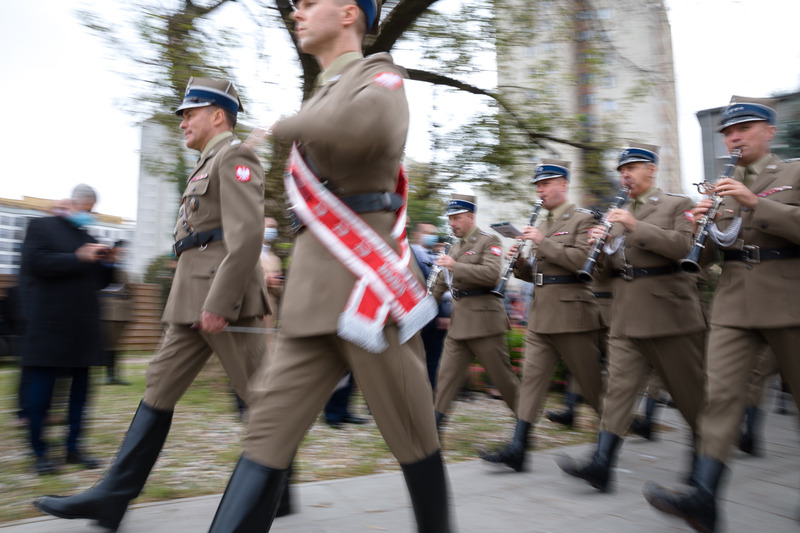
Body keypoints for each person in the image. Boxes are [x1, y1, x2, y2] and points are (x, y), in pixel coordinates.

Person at [205, 1, 451, 531]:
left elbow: (360, 129)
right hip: (312, 299)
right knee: (264, 438)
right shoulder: (323, 93)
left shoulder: (380, 76)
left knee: (414, 437)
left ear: (347, 13)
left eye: (310, 2)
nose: (297, 11)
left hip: (369, 294)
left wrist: (281, 125)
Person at [34, 78, 271, 530]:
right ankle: (112, 496)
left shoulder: (235, 156)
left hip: (225, 298)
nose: (183, 120)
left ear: (218, 115)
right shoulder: (207, 162)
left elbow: (246, 239)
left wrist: (220, 301)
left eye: (191, 111)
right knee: (158, 386)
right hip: (192, 295)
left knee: (261, 399)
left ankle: (272, 495)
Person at [644, 96, 800, 533]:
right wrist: (702, 229)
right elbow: (711, 254)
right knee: (720, 398)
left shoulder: (794, 172)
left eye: (744, 128)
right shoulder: (721, 186)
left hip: (788, 299)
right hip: (733, 301)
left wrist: (753, 201)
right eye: (728, 132)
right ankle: (705, 498)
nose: (733, 137)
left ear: (768, 131)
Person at [557, 142, 707, 492]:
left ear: (651, 170)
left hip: (669, 314)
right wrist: (603, 247)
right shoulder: (618, 212)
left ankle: (703, 462)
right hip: (626, 315)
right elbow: (609, 270)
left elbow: (685, 248)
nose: (626, 173)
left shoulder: (676, 204)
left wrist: (635, 225)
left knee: (690, 394)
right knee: (618, 392)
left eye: (634, 166)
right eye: (622, 168)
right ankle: (601, 464)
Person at [479, 159, 604, 472]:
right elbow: (539, 271)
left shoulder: (582, 219)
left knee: (591, 384)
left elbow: (579, 261)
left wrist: (541, 241)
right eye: (538, 184)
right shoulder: (543, 224)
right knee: (531, 382)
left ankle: (609, 442)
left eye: (546, 183)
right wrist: (519, 263)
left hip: (572, 314)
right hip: (542, 314)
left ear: (564, 184)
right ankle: (518, 448)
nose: (541, 190)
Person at [20, 184, 114, 474]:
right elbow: (37, 263)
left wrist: (109, 263)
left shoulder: (88, 236)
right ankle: (40, 453)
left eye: (91, 210)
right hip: (50, 325)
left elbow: (100, 282)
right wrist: (78, 258)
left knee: (80, 394)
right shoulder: (41, 227)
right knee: (42, 394)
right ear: (73, 203)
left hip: (83, 328)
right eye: (85, 208)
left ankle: (74, 447)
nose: (88, 214)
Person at [430, 194, 520, 432]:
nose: (452, 223)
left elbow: (491, 274)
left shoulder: (488, 240)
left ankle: (524, 425)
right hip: (459, 324)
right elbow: (440, 283)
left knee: (503, 379)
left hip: (485, 322)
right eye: (450, 219)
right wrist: (418, 308)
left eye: (457, 218)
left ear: (471, 216)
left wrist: (454, 265)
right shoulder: (454, 246)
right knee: (445, 378)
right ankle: (432, 433)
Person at [411, 221, 450, 389]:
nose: (432, 237)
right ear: (417, 234)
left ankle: (429, 396)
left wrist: (444, 314)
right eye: (428, 232)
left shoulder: (436, 256)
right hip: (415, 316)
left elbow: (442, 288)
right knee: (412, 358)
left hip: (435, 317)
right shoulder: (410, 253)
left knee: (434, 359)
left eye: (434, 233)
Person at [98, 240, 133, 385]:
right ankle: (109, 375)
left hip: (121, 311)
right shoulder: (105, 266)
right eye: (120, 250)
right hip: (109, 311)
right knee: (108, 345)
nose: (123, 253)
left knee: (116, 346)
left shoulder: (121, 269)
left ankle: (114, 375)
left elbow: (130, 291)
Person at [261, 216, 283, 356]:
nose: (272, 230)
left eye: (274, 227)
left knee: (269, 345)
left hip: (271, 309)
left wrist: (277, 283)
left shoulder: (276, 259)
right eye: (268, 227)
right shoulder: (251, 255)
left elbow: (280, 290)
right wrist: (265, 280)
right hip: (256, 307)